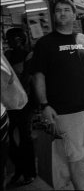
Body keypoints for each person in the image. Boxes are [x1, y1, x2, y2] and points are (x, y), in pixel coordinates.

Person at [31, 0, 84, 190]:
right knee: (75, 154)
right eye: (59, 10)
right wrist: (45, 105)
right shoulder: (45, 44)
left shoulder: (83, 39)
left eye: (67, 10)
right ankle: (80, 188)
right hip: (65, 110)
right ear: (54, 15)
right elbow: (39, 77)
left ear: (74, 14)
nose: (62, 13)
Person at [4, 28, 37, 186]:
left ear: (20, 39)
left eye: (13, 39)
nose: (9, 42)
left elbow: (26, 79)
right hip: (9, 102)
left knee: (25, 137)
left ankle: (30, 172)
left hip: (26, 102)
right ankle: (19, 169)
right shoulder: (7, 55)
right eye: (8, 39)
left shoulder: (29, 54)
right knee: (8, 139)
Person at [1, 48, 28, 191]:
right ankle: (23, 172)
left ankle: (25, 172)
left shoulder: (16, 54)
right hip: (14, 103)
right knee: (20, 139)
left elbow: (10, 76)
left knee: (22, 139)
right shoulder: (9, 54)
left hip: (16, 103)